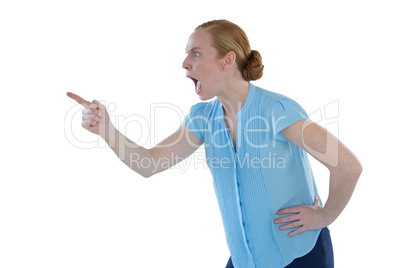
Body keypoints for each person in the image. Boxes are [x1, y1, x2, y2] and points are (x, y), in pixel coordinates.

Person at [67, 19, 362, 268]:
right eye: (186, 54)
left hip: (301, 256)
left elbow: (347, 166)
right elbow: (149, 164)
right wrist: (107, 131)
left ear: (228, 59)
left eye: (195, 53)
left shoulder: (277, 110)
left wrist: (325, 216)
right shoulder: (202, 119)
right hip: (245, 260)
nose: (184, 63)